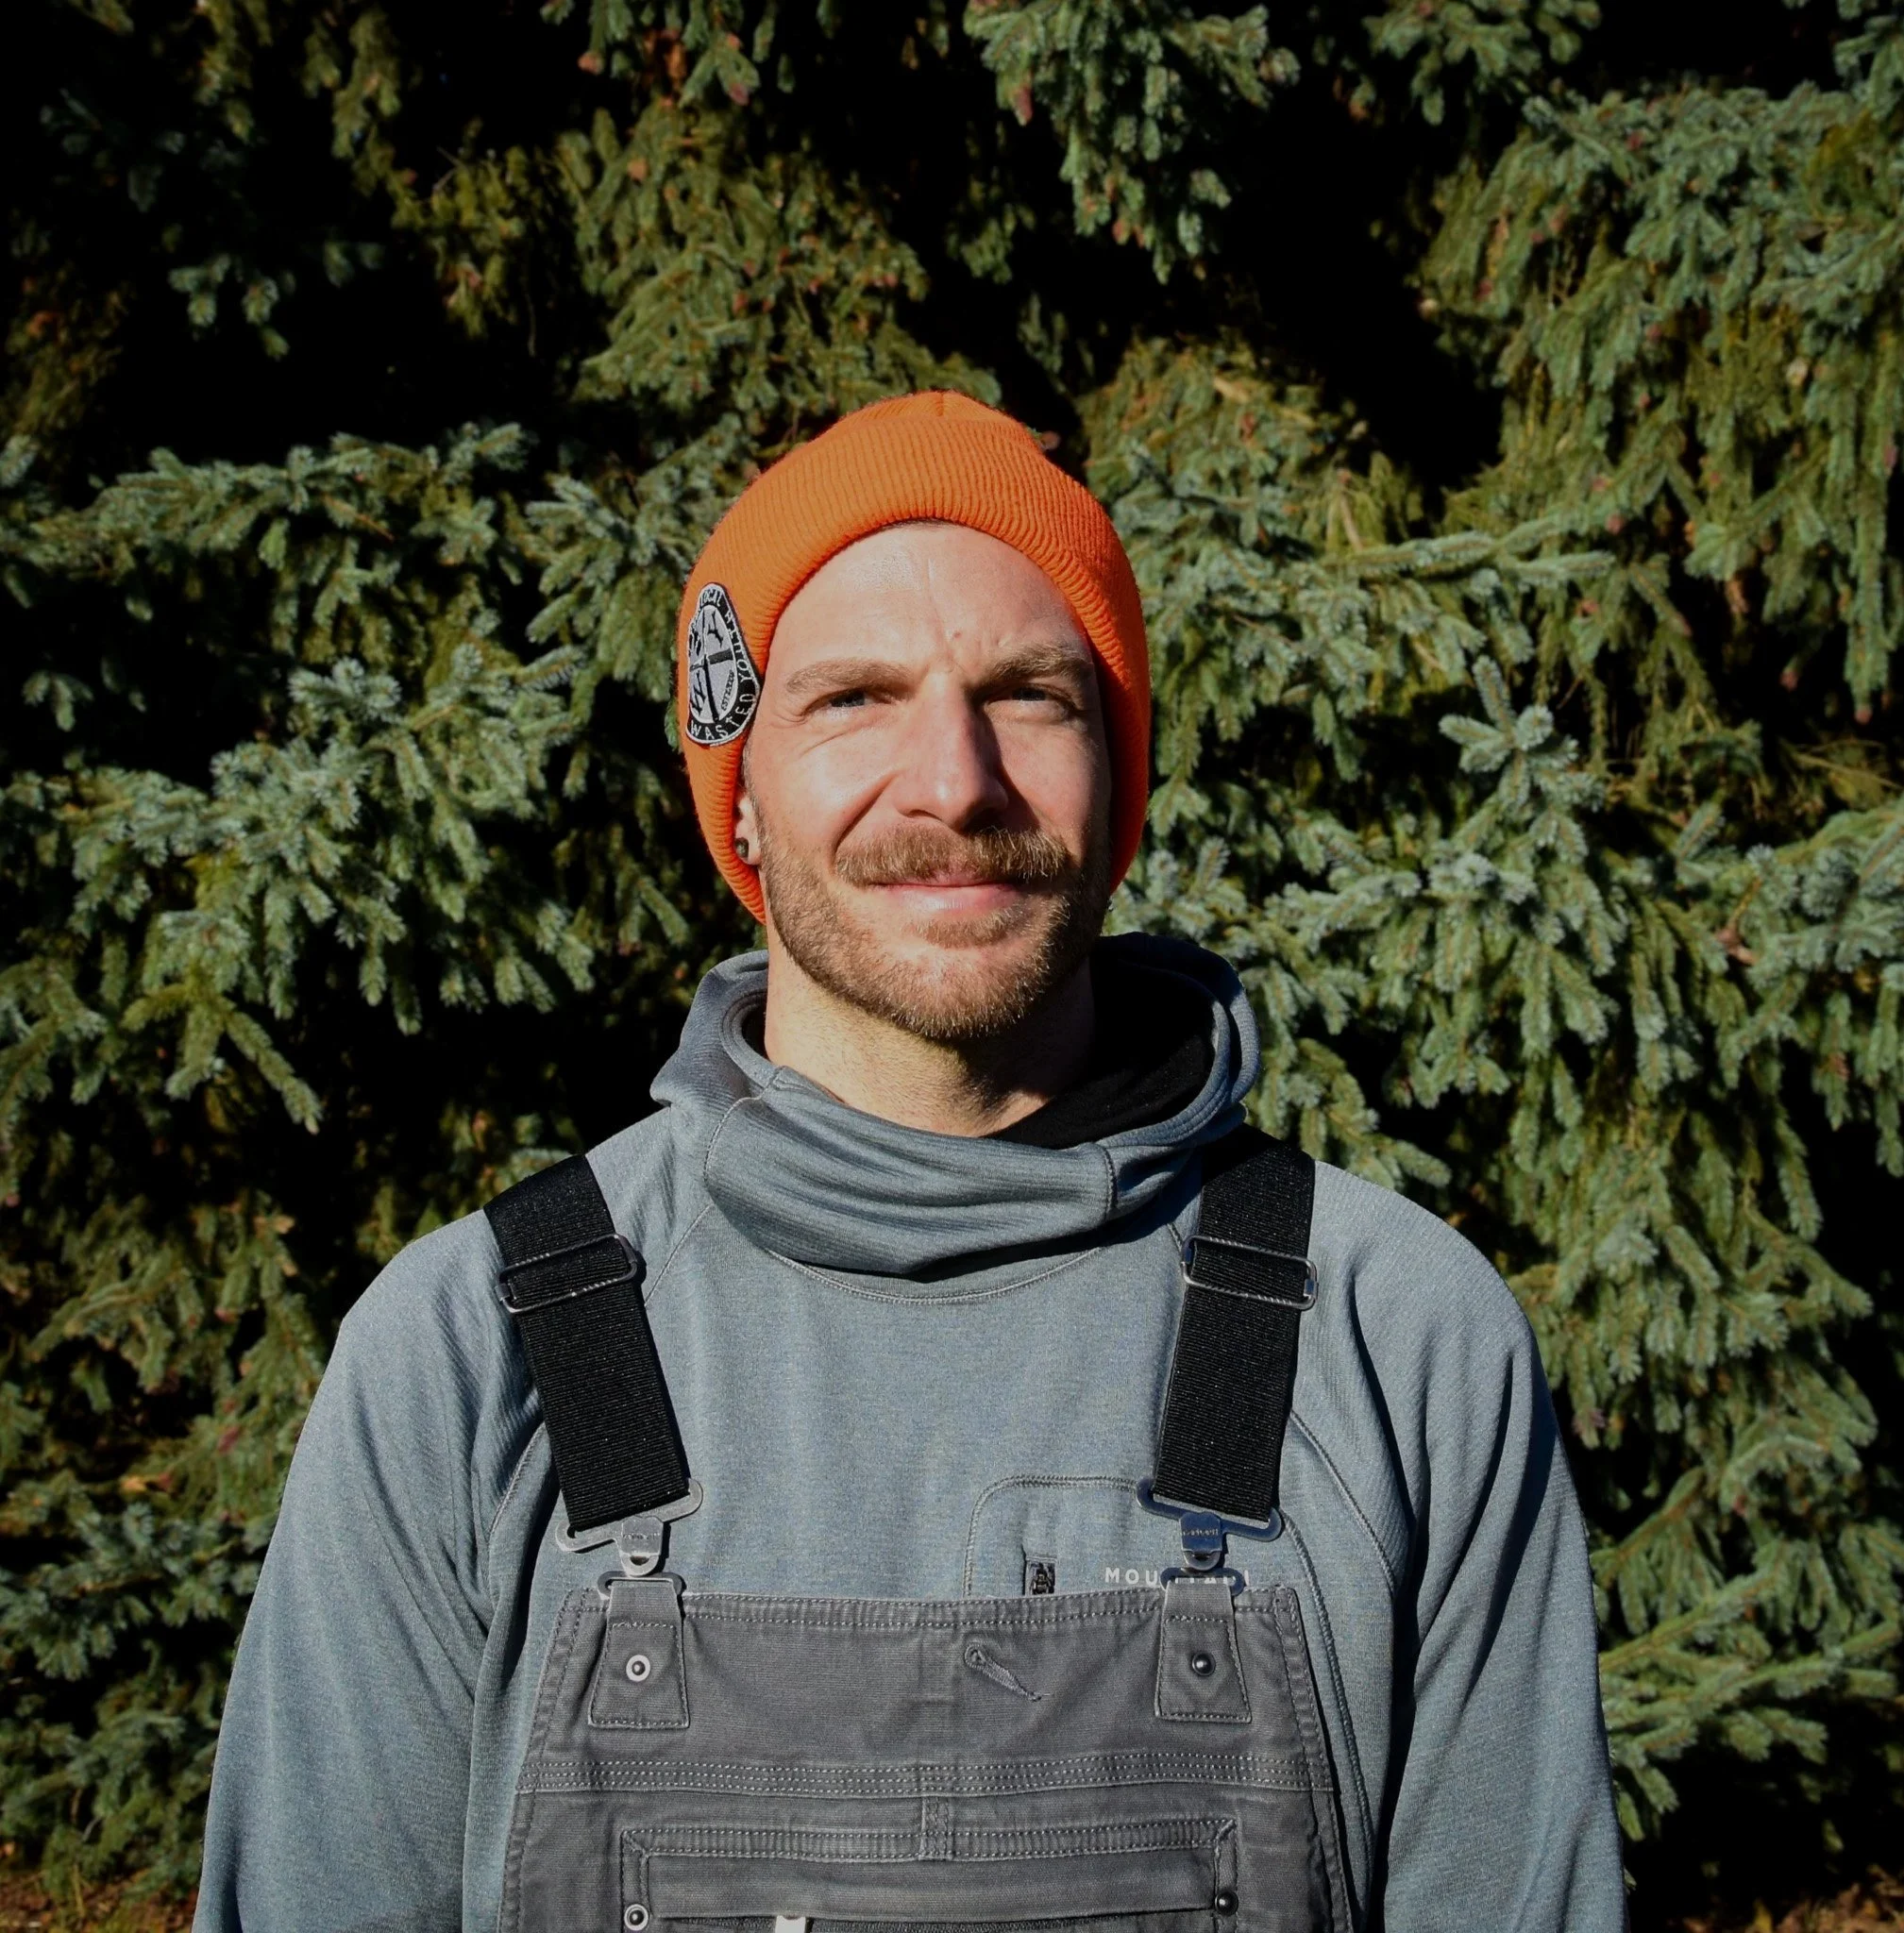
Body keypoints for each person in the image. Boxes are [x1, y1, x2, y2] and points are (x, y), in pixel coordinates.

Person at [194, 392, 1625, 1933]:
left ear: (1120, 776)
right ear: (735, 793)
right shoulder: (479, 1353)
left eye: (1028, 695)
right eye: (854, 700)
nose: (954, 782)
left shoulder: (1393, 1339)